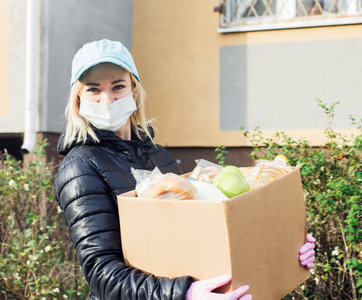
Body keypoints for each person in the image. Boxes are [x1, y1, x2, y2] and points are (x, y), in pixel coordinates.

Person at [54, 39, 315, 300]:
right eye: (93, 89)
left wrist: (284, 244)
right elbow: (101, 273)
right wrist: (186, 293)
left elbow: (197, 235)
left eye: (118, 86)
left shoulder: (157, 155)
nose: (107, 100)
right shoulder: (80, 168)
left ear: (134, 88)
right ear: (78, 97)